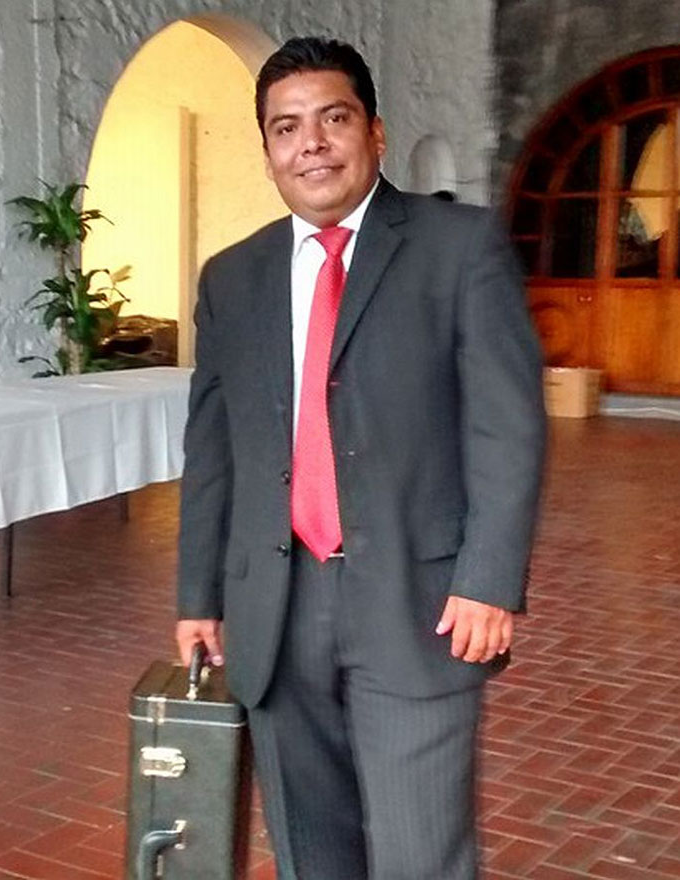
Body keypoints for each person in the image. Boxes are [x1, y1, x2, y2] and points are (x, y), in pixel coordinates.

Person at [176, 35, 545, 880]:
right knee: (311, 853)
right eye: (286, 128)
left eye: (333, 119)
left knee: (421, 852)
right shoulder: (231, 277)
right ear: (268, 151)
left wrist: (489, 580)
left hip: (419, 605)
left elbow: (507, 426)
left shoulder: (460, 247)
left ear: (375, 132)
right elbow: (214, 447)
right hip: (275, 607)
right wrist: (198, 594)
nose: (311, 143)